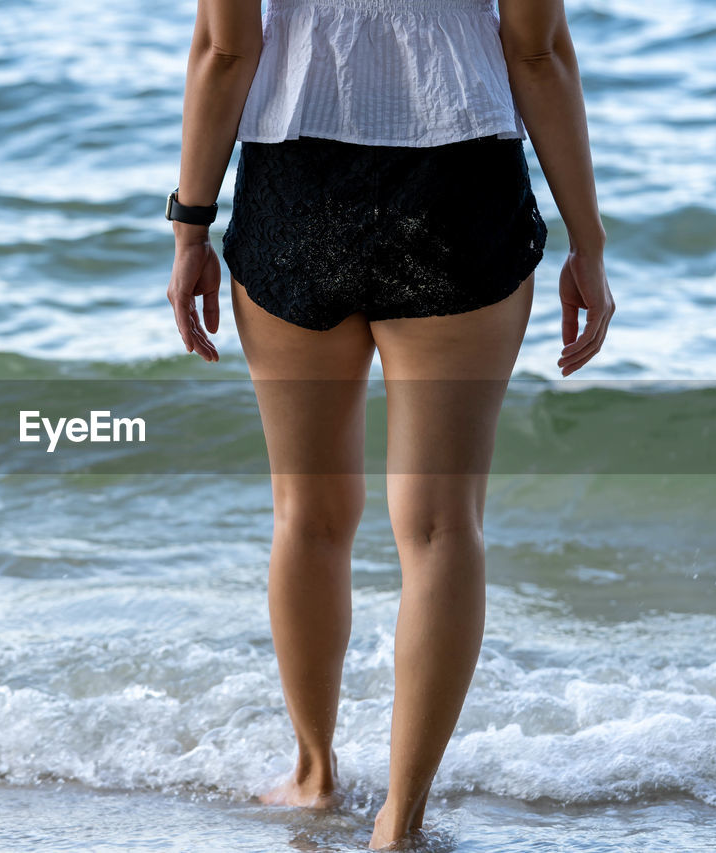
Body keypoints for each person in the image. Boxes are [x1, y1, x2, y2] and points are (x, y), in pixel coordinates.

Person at [164, 0, 613, 847]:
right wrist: (587, 242)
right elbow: (540, 50)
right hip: (460, 180)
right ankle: (399, 819)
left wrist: (190, 227)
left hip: (297, 184)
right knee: (442, 528)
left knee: (308, 515)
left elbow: (225, 48)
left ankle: (313, 774)